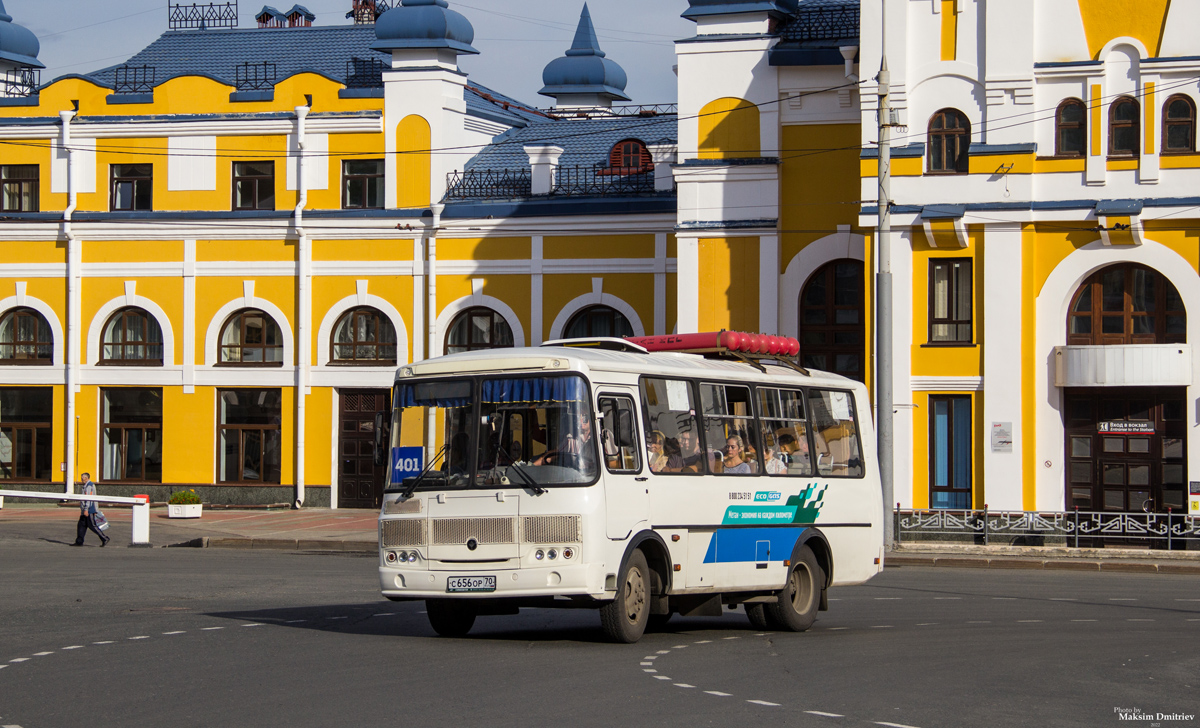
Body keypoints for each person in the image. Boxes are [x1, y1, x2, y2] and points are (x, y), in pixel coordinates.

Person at [73, 473, 109, 547]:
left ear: (86, 478)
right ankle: (79, 541)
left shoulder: (89, 486)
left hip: (89, 510)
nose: (81, 479)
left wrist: (86, 509)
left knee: (92, 526)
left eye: (82, 478)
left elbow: (88, 499)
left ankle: (104, 538)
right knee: (81, 525)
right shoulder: (86, 485)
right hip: (85, 510)